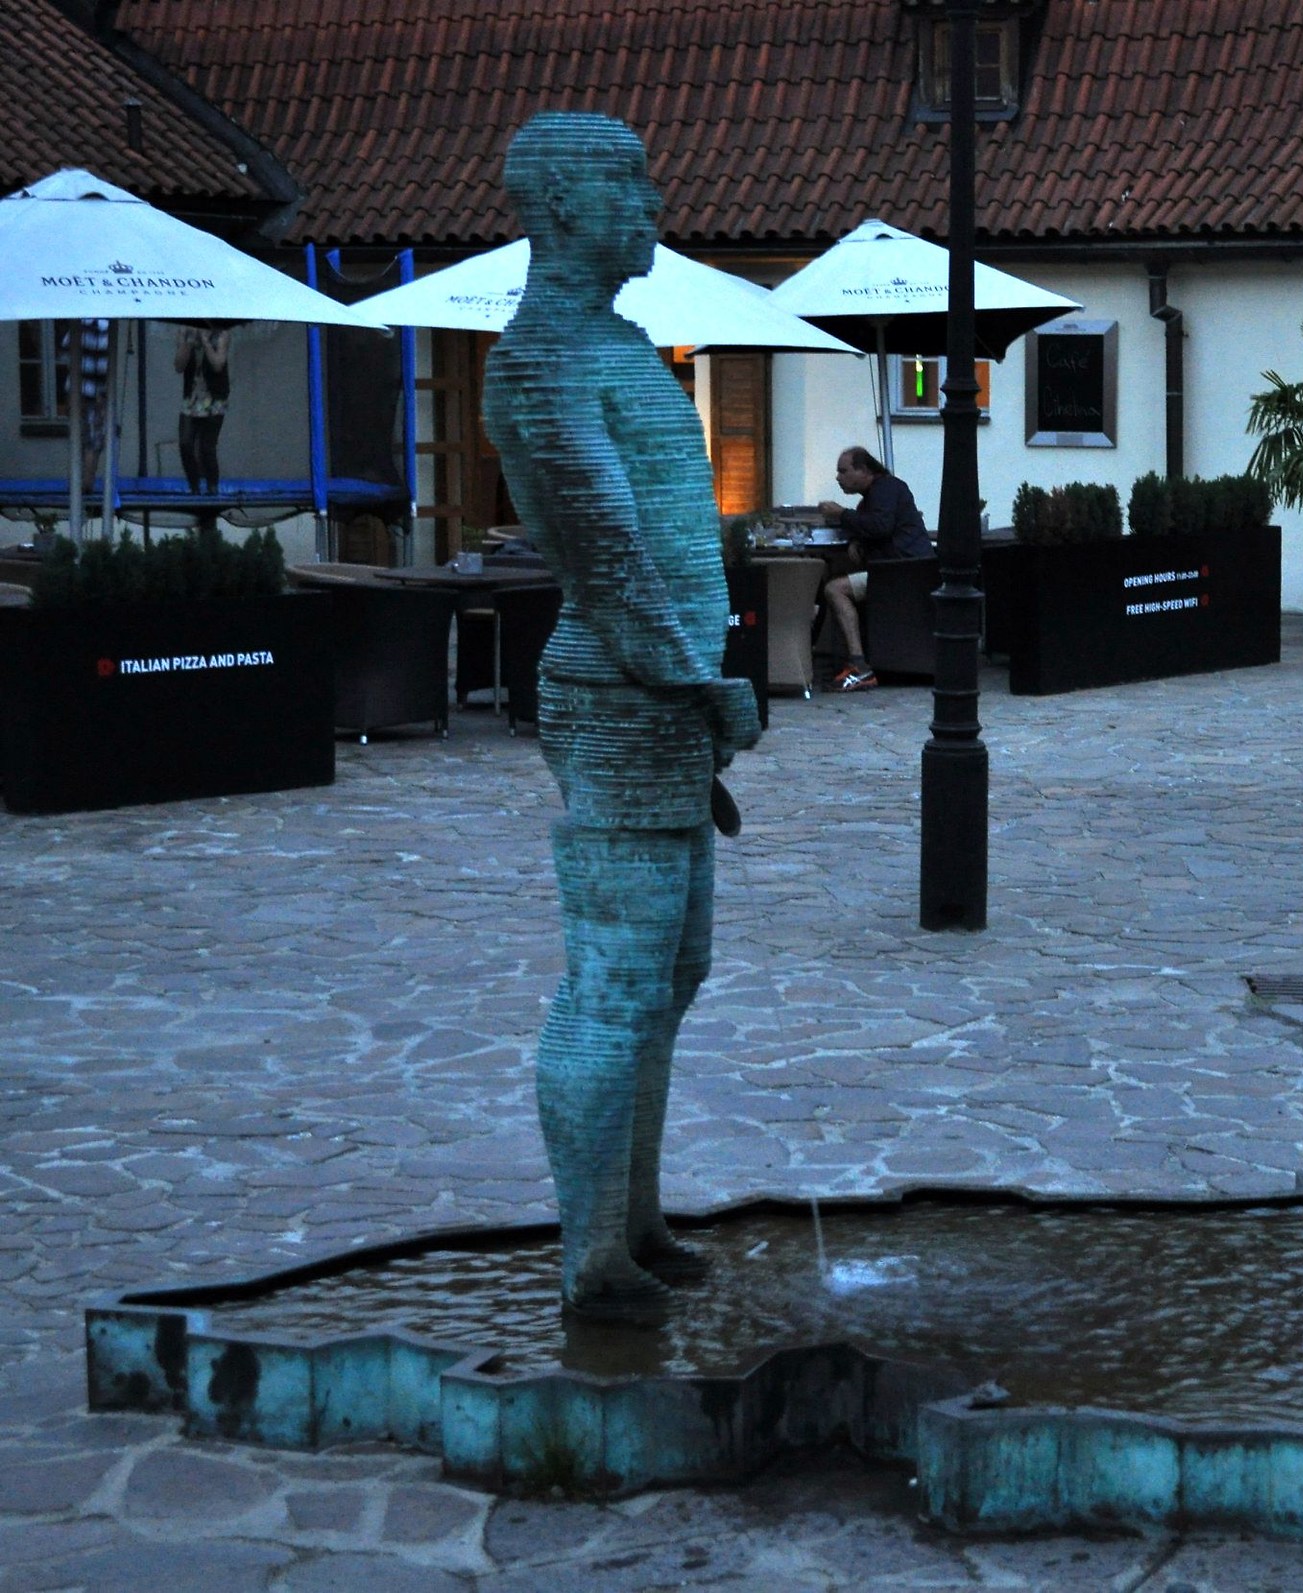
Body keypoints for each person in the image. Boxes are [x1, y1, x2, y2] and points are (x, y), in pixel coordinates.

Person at [480, 110, 762, 1324]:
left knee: (674, 969)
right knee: (614, 980)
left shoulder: (620, 341)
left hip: (667, 694)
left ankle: (636, 1221)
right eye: (628, 184)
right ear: (555, 210)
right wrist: (698, 684)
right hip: (621, 689)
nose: (654, 205)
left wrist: (701, 685)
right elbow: (605, 553)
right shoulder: (538, 358)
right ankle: (591, 1255)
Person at [815, 445, 933, 691]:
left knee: (835, 589)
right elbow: (878, 527)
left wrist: (841, 513)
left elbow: (880, 525)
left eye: (844, 471)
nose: (838, 477)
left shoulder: (885, 489)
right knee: (836, 576)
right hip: (903, 570)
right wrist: (858, 540)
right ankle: (836, 656)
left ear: (864, 470)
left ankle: (859, 665)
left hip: (901, 574)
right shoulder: (879, 494)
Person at [174, 324, 232, 512]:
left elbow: (218, 364)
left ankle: (212, 486)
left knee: (207, 446)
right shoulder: (185, 332)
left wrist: (206, 342)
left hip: (214, 398)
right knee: (185, 443)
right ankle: (194, 485)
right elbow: (179, 366)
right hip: (192, 397)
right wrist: (189, 343)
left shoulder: (221, 334)